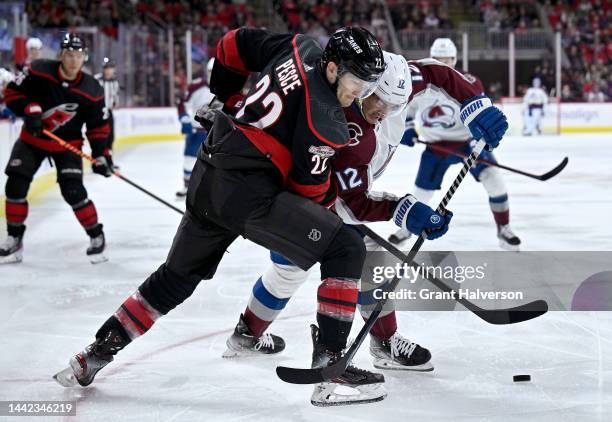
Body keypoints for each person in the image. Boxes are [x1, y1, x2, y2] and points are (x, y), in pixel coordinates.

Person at [54, 26, 391, 405]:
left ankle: (94, 354)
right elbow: (308, 196)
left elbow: (233, 44)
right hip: (250, 195)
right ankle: (331, 368)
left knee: (176, 277)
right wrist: (336, 199)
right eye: (357, 82)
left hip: (210, 171)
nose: (361, 93)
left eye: (368, 83)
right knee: (345, 248)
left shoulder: (299, 46)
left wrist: (226, 98)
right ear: (332, 68)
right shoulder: (326, 121)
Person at [221, 50, 508, 394]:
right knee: (357, 258)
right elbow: (350, 201)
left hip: (325, 193)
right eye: (378, 101)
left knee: (291, 271)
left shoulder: (395, 85)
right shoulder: (338, 122)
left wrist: (475, 103)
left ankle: (246, 334)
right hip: (307, 196)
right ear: (361, 86)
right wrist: (404, 209)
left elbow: (437, 74)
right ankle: (381, 344)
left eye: (395, 105)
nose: (383, 111)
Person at [388, 38, 520, 251]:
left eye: (447, 59)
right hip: (435, 147)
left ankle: (504, 228)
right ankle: (407, 228)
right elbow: (406, 110)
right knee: (421, 193)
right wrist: (409, 129)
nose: (442, 63)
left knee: (494, 179)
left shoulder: (468, 81)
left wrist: (480, 136)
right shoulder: (418, 80)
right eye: (438, 59)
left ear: (455, 59)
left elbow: (482, 112)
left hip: (467, 143)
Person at [0, 33, 113, 264]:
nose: (74, 60)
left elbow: (98, 127)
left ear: (85, 58)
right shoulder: (39, 70)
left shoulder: (92, 89)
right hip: (33, 139)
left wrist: (101, 154)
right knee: (15, 185)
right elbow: (11, 92)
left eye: (79, 55)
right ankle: (14, 240)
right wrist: (28, 108)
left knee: (73, 191)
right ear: (61, 55)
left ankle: (96, 235)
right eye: (69, 54)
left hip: (68, 145)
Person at [175, 57, 215, 198]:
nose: (213, 74)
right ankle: (187, 186)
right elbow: (183, 104)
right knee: (189, 158)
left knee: (214, 162)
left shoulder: (227, 89)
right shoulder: (196, 86)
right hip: (196, 131)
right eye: (211, 71)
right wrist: (185, 120)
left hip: (214, 132)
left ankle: (211, 189)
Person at [94, 58, 120, 153]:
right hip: (98, 113)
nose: (108, 70)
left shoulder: (115, 82)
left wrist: (114, 104)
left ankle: (109, 160)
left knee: (110, 137)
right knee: (99, 137)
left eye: (110, 68)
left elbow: (115, 97)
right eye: (106, 68)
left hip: (108, 112)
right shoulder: (96, 80)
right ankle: (100, 158)